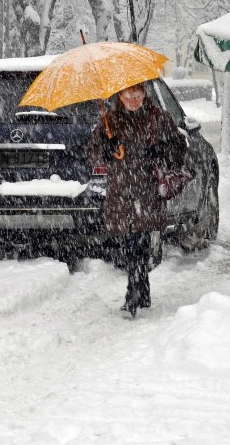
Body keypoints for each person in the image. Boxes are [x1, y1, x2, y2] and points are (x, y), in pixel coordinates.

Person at [88, 82, 187, 318]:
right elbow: (92, 151)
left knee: (138, 239)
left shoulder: (157, 117)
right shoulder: (109, 120)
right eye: (127, 96)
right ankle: (143, 291)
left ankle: (132, 293)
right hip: (121, 189)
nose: (133, 100)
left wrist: (161, 150)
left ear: (144, 94)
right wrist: (106, 149)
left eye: (137, 95)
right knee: (132, 240)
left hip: (147, 188)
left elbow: (179, 147)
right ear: (120, 96)